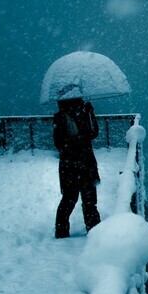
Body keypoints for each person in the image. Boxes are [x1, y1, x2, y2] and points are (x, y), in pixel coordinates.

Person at [53, 97, 101, 238]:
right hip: (74, 165)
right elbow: (59, 143)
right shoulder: (61, 117)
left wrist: (90, 113)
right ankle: (93, 231)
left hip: (79, 164)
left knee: (84, 199)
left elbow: (93, 133)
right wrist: (77, 141)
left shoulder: (83, 113)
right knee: (74, 199)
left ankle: (93, 230)